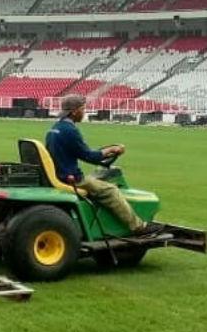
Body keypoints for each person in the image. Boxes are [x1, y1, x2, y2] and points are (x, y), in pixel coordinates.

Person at [45, 94, 162, 235]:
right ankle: (138, 227)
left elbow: (82, 152)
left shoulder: (54, 128)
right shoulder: (70, 131)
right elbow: (90, 156)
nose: (85, 112)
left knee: (98, 182)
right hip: (73, 179)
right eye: (83, 109)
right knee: (110, 190)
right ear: (74, 111)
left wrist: (103, 152)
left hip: (60, 173)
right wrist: (112, 150)